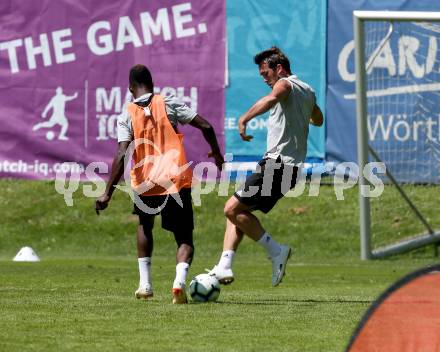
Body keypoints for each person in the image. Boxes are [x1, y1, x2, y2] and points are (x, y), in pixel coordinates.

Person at [95, 64, 224, 304]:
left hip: (145, 182)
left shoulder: (126, 115)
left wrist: (107, 194)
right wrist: (216, 154)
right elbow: (206, 126)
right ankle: (179, 283)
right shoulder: (168, 103)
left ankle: (145, 285)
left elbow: (121, 154)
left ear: (130, 88)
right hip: (174, 180)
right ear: (152, 84)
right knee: (184, 237)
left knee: (145, 226)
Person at [208, 47, 323, 287]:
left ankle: (276, 251)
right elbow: (318, 119)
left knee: (231, 208)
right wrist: (301, 114)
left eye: (265, 72)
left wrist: (244, 119)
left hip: (278, 164)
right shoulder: (309, 91)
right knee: (238, 210)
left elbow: (271, 99)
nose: (264, 78)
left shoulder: (286, 85)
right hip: (289, 169)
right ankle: (224, 265)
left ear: (279, 69)